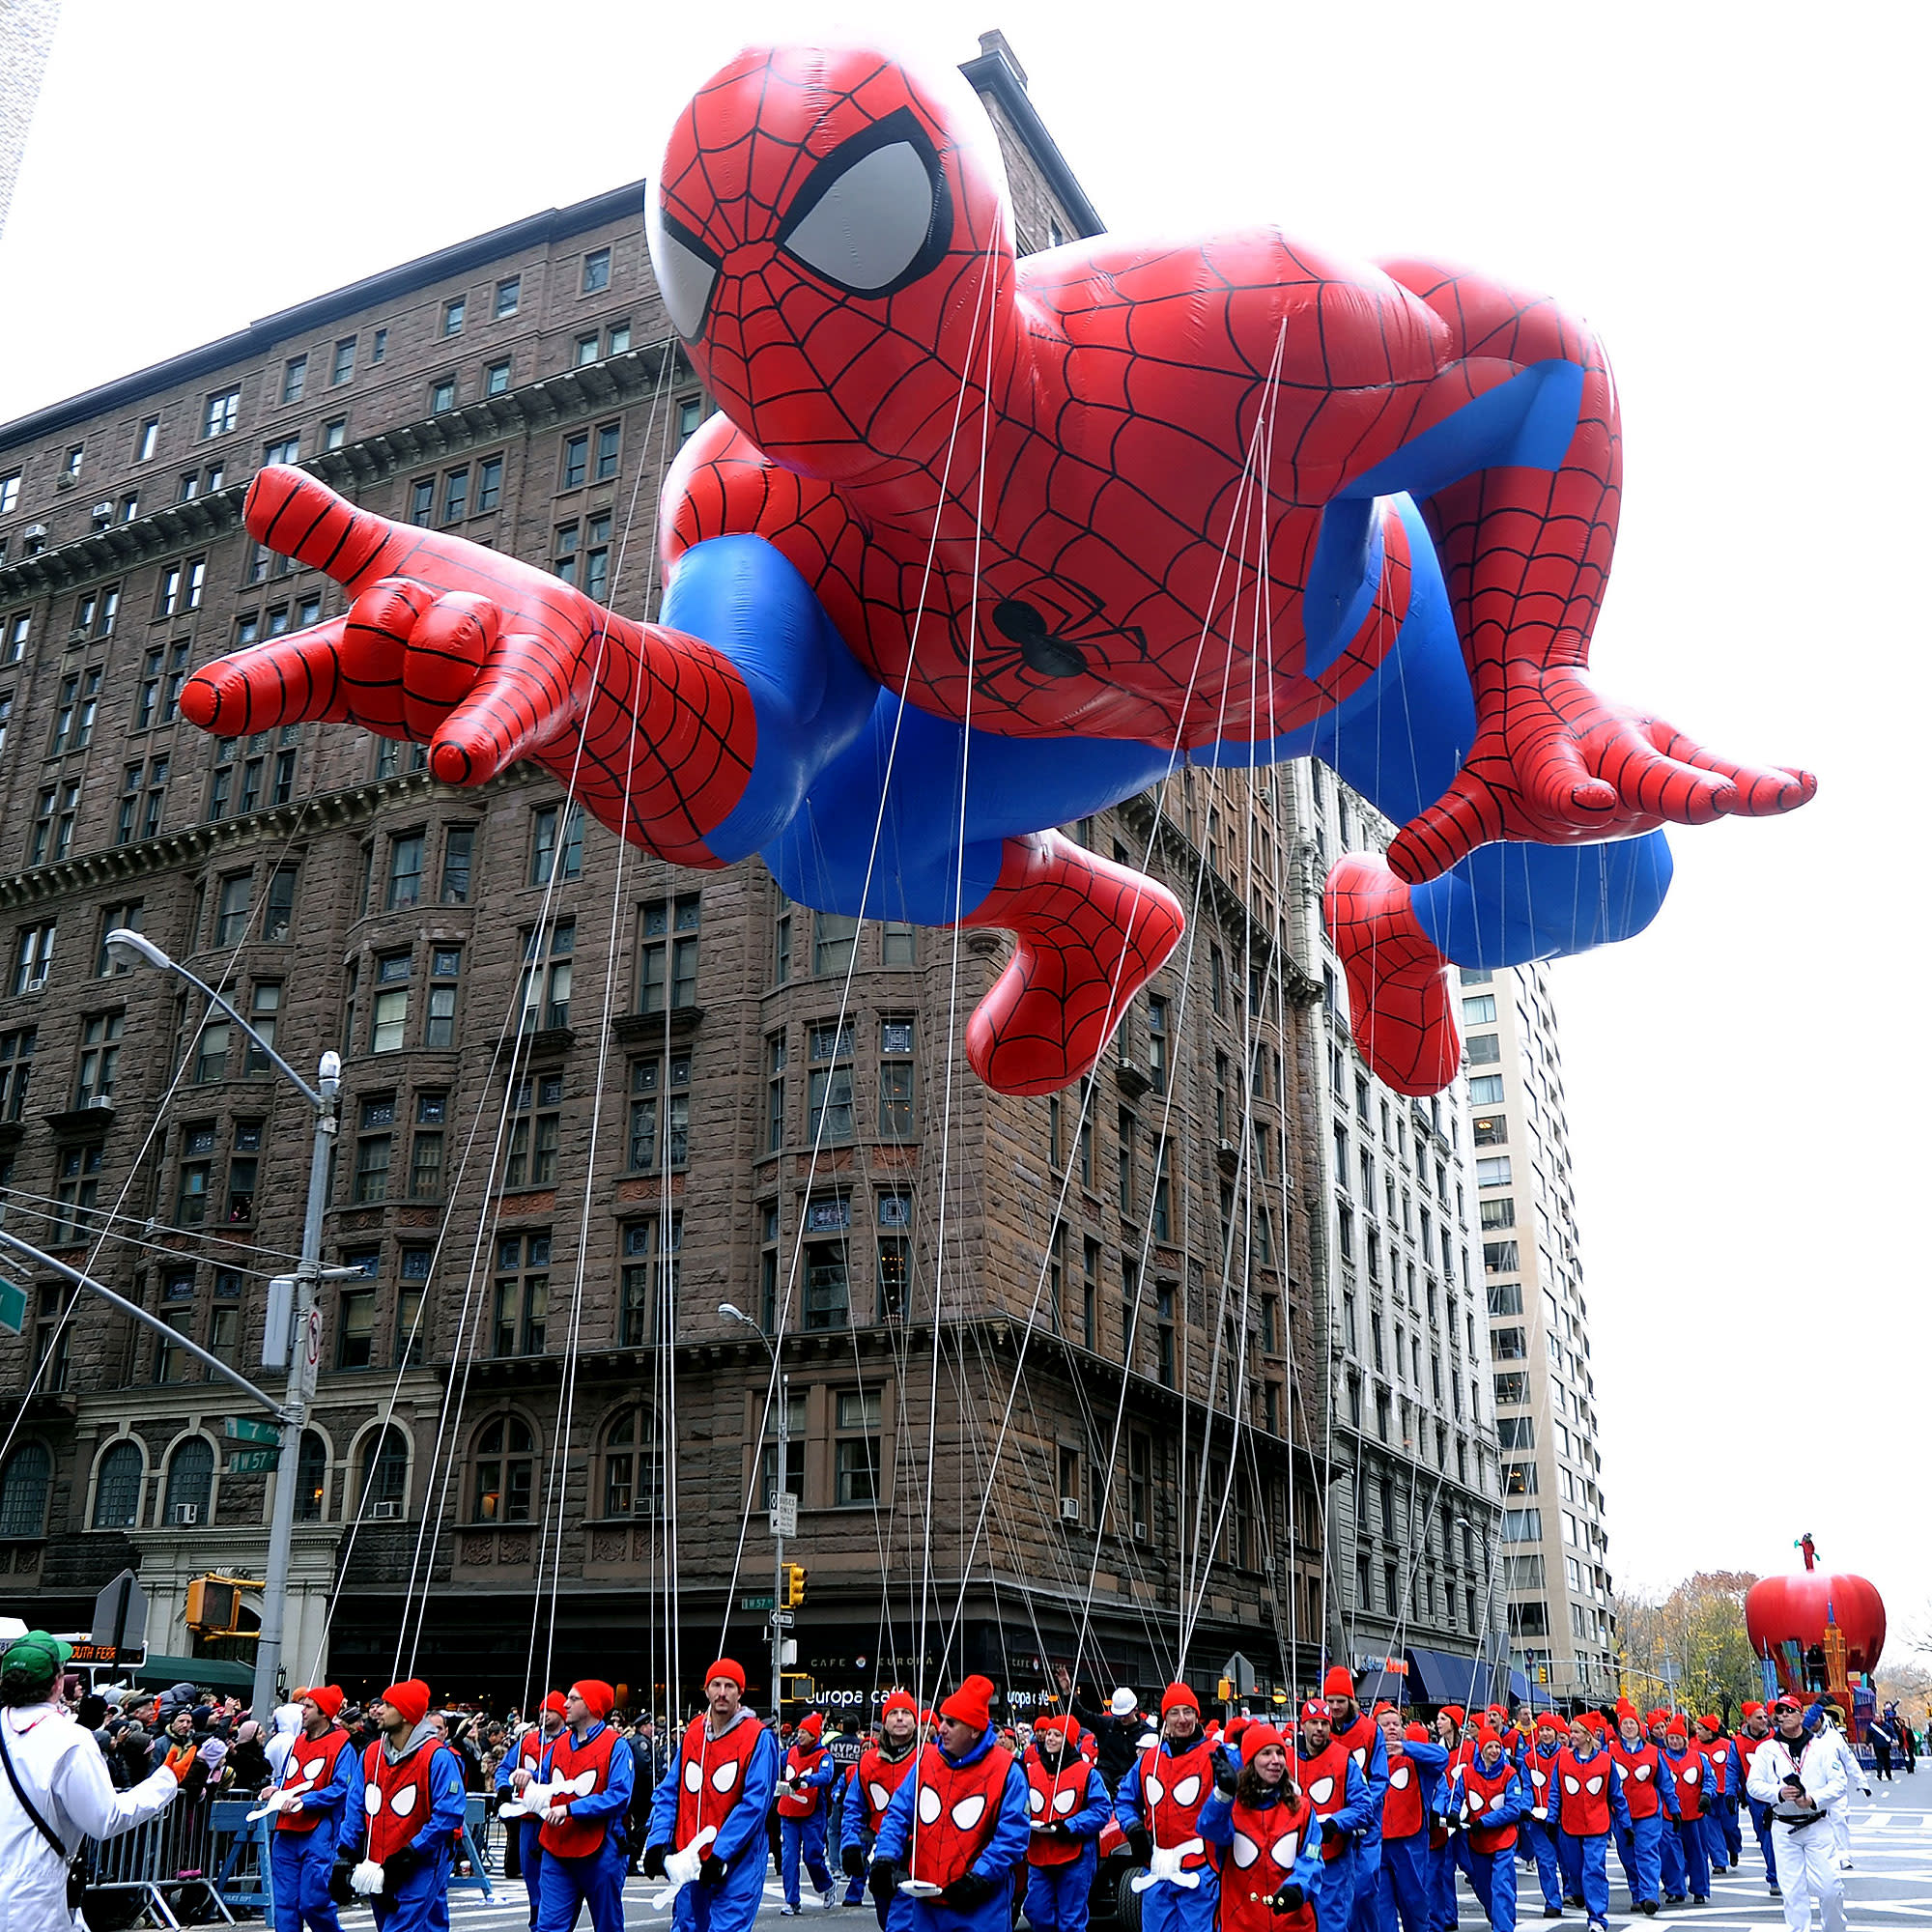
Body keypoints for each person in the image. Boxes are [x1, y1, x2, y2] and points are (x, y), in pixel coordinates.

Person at [0, 1631, 185, 1932]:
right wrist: (166, 1780)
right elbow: (104, 1818)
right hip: (33, 1900)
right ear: (58, 1682)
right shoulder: (71, 1740)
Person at [868, 1676, 1029, 1932]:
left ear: (975, 1730)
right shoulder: (926, 1761)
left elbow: (1013, 1837)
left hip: (981, 1907)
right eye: (942, 1719)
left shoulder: (1008, 1771)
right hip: (926, 1901)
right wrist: (886, 1856)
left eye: (951, 1723)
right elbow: (899, 1812)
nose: (940, 1728)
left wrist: (979, 1878)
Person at [642, 1660, 780, 1932]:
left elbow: (754, 1805)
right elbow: (671, 1791)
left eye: (730, 1686)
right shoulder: (694, 1734)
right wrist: (657, 1841)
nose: (722, 1692)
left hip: (736, 1864)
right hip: (690, 1860)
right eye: (716, 1685)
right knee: (685, 1926)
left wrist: (720, 1853)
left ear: (740, 1692)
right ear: (706, 1690)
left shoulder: (757, 1738)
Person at [340, 1680, 467, 1932]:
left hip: (421, 1862)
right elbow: (356, 1805)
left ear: (407, 1715)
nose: (378, 1710)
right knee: (398, 1925)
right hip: (379, 1860)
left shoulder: (437, 1757)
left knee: (398, 1929)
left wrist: (412, 1850)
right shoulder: (371, 1753)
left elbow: (449, 1812)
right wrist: (345, 1852)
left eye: (388, 1705)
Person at [1115, 1684, 1223, 1932]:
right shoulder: (1149, 1760)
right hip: (1156, 1868)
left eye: (1188, 1712)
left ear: (1197, 1716)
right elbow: (1125, 1799)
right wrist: (1132, 1828)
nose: (1182, 1719)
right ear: (1165, 1718)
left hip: (1199, 1871)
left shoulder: (1215, 1755)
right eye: (1174, 1712)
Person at [1198, 1722, 1322, 1932]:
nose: (1276, 1761)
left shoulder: (1302, 1808)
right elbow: (1210, 1829)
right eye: (1266, 1753)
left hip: (1293, 1922)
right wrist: (1222, 1796)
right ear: (1250, 1760)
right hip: (1241, 1921)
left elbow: (1312, 1854)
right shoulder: (1233, 1808)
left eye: (1280, 1753)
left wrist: (1298, 1887)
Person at [533, 1681, 633, 1932]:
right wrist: (526, 1781)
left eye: (573, 1699)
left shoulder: (616, 1746)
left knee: (607, 1925)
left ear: (591, 1706)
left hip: (601, 1851)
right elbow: (543, 1781)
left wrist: (570, 1810)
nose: (565, 1704)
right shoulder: (559, 1744)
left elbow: (619, 1795)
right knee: (548, 1926)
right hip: (557, 1848)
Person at [1744, 1694, 1845, 1932]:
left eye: (1790, 1710)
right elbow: (1753, 1784)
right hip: (1783, 1827)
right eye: (1780, 1711)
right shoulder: (1767, 1750)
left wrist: (1813, 1799)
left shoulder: (1821, 1747)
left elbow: (1839, 1782)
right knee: (1793, 1891)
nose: (1785, 1715)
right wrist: (1778, 1792)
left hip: (1816, 1824)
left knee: (1830, 1887)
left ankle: (1835, 1928)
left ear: (1802, 1714)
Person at [262, 1685, 357, 1932]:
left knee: (312, 1902)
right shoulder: (298, 1742)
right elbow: (287, 1778)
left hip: (318, 1830)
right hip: (287, 1830)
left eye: (308, 1706)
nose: (302, 1711)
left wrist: (306, 1801)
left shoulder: (342, 1746)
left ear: (324, 1712)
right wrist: (275, 1790)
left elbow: (342, 1787)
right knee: (285, 1905)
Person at [1019, 1715, 1110, 1932]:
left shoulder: (1087, 1773)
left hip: (1075, 1857)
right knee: (1037, 1912)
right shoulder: (1031, 1771)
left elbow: (1102, 1810)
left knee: (1071, 1920)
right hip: (1039, 1854)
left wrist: (1069, 1826)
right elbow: (1019, 1806)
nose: (1050, 1738)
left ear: (1069, 1740)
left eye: (1057, 1735)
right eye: (1049, 1733)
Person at [1317, 1672, 1388, 1932]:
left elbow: (1380, 1777)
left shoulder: (1370, 1731)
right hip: (1331, 1827)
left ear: (1351, 1700)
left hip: (1365, 1826)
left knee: (1364, 1890)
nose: (1335, 1707)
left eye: (1340, 1701)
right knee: (1334, 1898)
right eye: (1330, 1701)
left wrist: (1363, 1805)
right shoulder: (1320, 1732)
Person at [1293, 1699, 1372, 1932]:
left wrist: (1334, 1823)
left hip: (1333, 1859)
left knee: (1331, 1924)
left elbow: (1363, 1806)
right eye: (1313, 1722)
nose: (1319, 1728)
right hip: (1293, 1859)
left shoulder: (1343, 1759)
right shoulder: (1287, 1759)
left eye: (1324, 1723)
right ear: (1302, 1725)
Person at [843, 1692, 920, 1926]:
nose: (899, 1719)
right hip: (881, 1852)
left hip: (917, 1853)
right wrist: (850, 1844)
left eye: (906, 1713)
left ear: (915, 1721)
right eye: (893, 1713)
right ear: (884, 1722)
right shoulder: (867, 1761)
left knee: (902, 1922)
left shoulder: (929, 1758)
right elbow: (853, 1807)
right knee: (886, 1918)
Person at [1549, 1715, 1628, 1932]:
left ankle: (1597, 1918)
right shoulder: (1563, 1760)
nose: (1571, 1736)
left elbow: (1616, 1795)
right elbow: (1556, 1792)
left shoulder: (1605, 1761)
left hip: (1597, 1825)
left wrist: (1625, 1823)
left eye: (1576, 1732)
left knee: (1594, 1870)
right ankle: (1580, 1892)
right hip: (1569, 1825)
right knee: (1574, 1870)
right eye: (1571, 1731)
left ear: (1587, 1736)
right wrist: (1550, 1818)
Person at [498, 1692, 569, 1928]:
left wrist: (534, 1778)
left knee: (555, 1877)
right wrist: (504, 1788)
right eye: (541, 1710)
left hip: (555, 1818)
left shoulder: (569, 1742)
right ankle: (536, 1918)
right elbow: (505, 1767)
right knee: (530, 1874)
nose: (544, 1714)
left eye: (550, 1710)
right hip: (528, 1819)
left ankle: (551, 1920)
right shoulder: (527, 1742)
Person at [1444, 1727, 1522, 1932]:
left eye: (1498, 1746)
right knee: (1482, 1885)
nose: (1495, 1751)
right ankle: (1495, 1914)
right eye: (1490, 1746)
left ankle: (1503, 1927)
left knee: (1502, 1886)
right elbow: (1457, 1796)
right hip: (1477, 1840)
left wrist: (1485, 1821)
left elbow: (1514, 1808)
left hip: (1504, 1838)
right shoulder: (1467, 1773)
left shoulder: (1509, 1774)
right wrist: (1452, 1813)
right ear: (1481, 1749)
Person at [1374, 1715, 1446, 1932]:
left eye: (1396, 1724)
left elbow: (1442, 1757)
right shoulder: (1369, 1758)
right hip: (1377, 1843)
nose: (1391, 1728)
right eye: (1385, 1725)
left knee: (1415, 1905)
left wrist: (1406, 1748)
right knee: (1381, 1909)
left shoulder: (1415, 1758)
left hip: (1411, 1842)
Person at [1605, 1699, 1675, 1917]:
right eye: (1624, 1723)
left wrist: (1674, 1808)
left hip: (1648, 1812)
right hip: (1621, 1814)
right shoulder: (1611, 1751)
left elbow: (1665, 1782)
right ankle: (1636, 1893)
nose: (1628, 1727)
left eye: (1632, 1723)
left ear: (1639, 1727)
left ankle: (1649, 1895)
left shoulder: (1654, 1752)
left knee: (1647, 1852)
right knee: (1627, 1855)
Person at [777, 1711, 838, 1913]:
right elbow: (776, 1766)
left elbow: (827, 1776)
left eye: (804, 1732)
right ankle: (792, 1901)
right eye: (799, 1731)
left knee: (812, 1856)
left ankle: (827, 1885)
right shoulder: (790, 1752)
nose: (799, 1735)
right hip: (788, 1810)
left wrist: (806, 1781)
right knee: (789, 1858)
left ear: (814, 1735)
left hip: (813, 1811)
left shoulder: (824, 1755)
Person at [1056, 1667, 1150, 1794]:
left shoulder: (1147, 1733)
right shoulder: (1107, 1724)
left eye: (1125, 1714)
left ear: (1135, 1710)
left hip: (1133, 1786)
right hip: (1104, 1783)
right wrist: (1068, 1692)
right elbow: (1080, 1714)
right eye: (1119, 1714)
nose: (1122, 1718)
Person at [1514, 1715, 1566, 1919]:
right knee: (1545, 1861)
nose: (1545, 1734)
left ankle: (1571, 1891)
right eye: (1542, 1730)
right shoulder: (1529, 1758)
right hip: (1537, 1818)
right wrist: (1526, 1807)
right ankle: (1552, 1901)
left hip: (1563, 1819)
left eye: (1549, 1730)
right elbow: (1527, 1786)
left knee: (1568, 1861)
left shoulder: (1566, 1755)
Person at [1655, 1719, 1710, 1906]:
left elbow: (1709, 1778)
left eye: (1678, 1738)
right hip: (1669, 1814)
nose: (1674, 1742)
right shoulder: (1660, 1757)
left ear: (1685, 1739)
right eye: (1671, 1738)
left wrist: (1706, 1795)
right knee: (1670, 1852)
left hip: (1695, 1813)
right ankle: (1675, 1889)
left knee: (1698, 1852)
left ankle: (1700, 1890)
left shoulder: (1699, 1757)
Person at [1693, 1717, 1742, 1874]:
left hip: (1727, 1793)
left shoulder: (1728, 1745)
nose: (1697, 1732)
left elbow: (1735, 1768)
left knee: (1730, 1827)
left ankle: (1734, 1848)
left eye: (1701, 1729)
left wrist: (1739, 1790)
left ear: (1710, 1731)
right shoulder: (1694, 1747)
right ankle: (1719, 1862)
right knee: (1711, 1829)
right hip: (1707, 1794)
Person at [1868, 1713, 1895, 1783]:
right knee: (1879, 1760)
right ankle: (1879, 1775)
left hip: (1886, 1745)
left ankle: (1888, 1775)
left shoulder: (1886, 1725)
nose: (1877, 1719)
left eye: (1878, 1717)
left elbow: (1892, 1732)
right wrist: (1867, 1744)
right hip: (1877, 1745)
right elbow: (1869, 1736)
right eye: (1876, 1717)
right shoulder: (1872, 1727)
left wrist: (1895, 1739)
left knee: (1887, 1761)